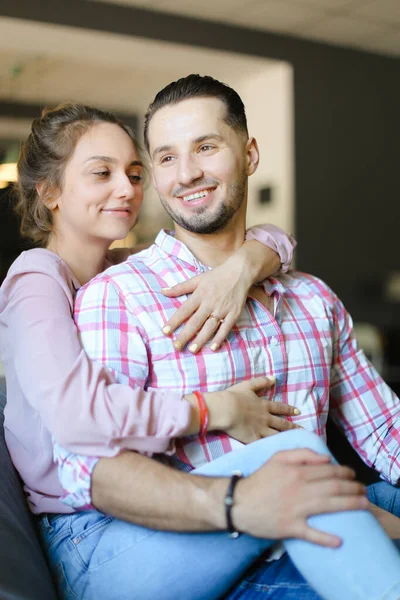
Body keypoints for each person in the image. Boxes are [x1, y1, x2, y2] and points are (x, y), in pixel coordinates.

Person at [45, 77, 400, 599]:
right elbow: (94, 467)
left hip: (321, 524)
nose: (187, 173)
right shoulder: (118, 297)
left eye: (206, 147)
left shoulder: (312, 299)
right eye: (165, 158)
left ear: (249, 153)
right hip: (212, 553)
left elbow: (384, 429)